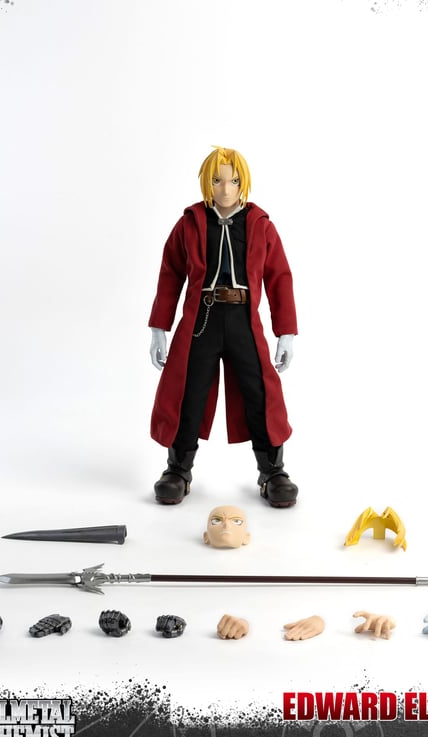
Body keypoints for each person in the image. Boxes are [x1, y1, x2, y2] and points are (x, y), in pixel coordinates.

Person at [148, 147, 298, 507]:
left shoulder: (259, 224)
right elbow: (170, 273)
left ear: (242, 182)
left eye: (233, 181)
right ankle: (178, 470)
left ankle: (272, 472)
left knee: (260, 391)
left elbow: (279, 276)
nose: (226, 189)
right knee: (189, 390)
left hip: (244, 318)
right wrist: (159, 328)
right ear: (207, 183)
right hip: (202, 319)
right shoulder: (190, 222)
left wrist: (286, 332)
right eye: (217, 181)